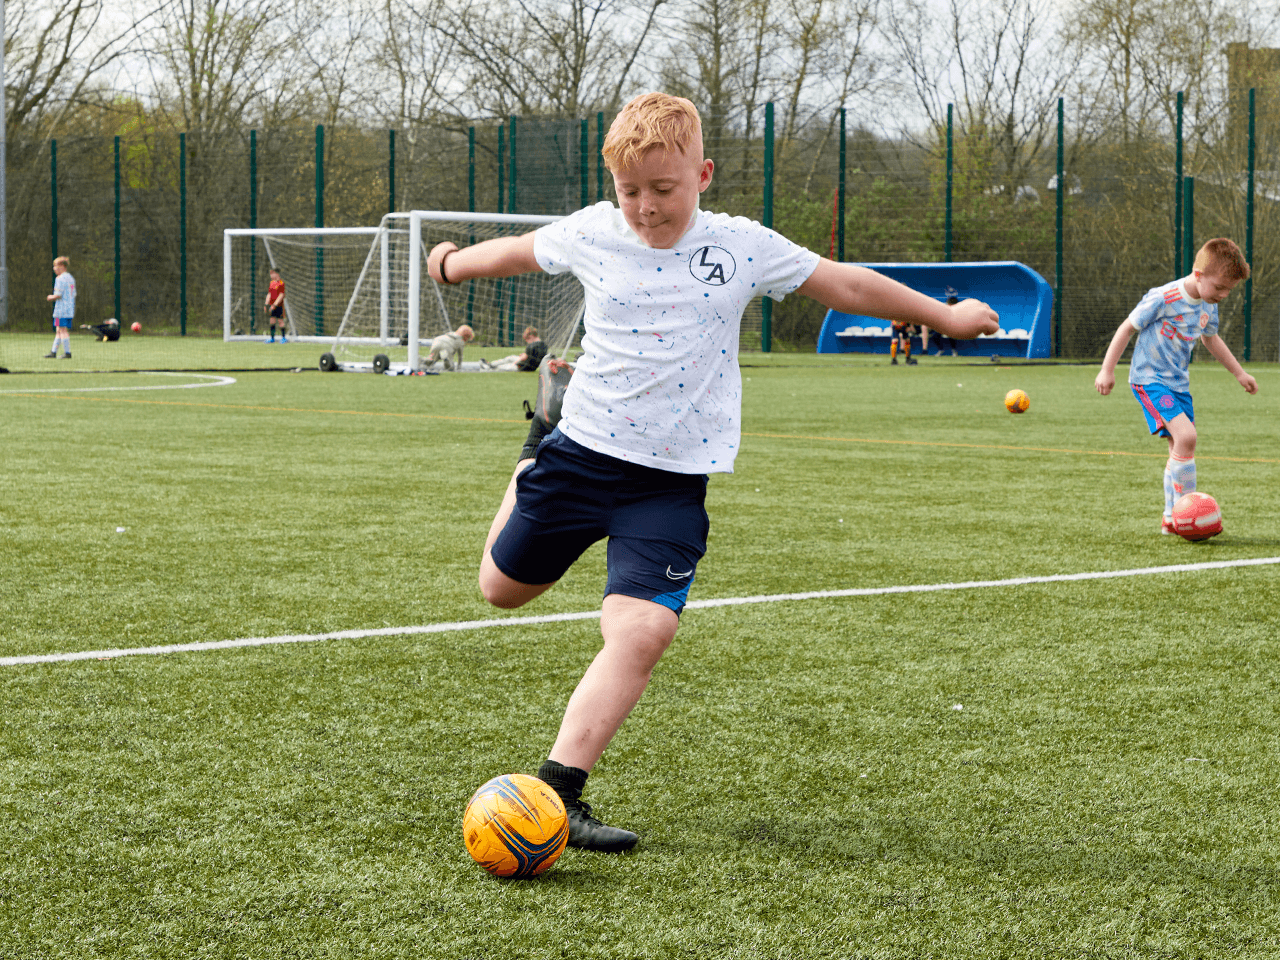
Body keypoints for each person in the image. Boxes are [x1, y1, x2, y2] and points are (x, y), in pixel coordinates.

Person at [426, 92, 999, 854]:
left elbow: (848, 285)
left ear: (703, 174)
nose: (645, 208)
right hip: (581, 454)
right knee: (500, 592)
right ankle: (533, 448)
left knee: (645, 628)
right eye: (630, 192)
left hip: (667, 482)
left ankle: (559, 793)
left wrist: (947, 316)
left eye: (663, 190)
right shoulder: (594, 232)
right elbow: (519, 251)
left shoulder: (741, 246)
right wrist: (452, 263)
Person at [1094, 237, 1256, 534]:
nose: (1223, 295)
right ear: (1198, 275)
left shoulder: (1209, 303)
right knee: (1187, 436)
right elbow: (1126, 328)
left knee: (1179, 447)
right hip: (1149, 380)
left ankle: (1171, 518)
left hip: (1179, 385)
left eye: (1228, 290)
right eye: (1219, 287)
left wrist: (1239, 373)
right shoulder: (1164, 297)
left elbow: (1211, 339)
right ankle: (1188, 517)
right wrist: (1107, 370)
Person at [45, 256, 76, 359]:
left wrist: (50, 297)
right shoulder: (71, 278)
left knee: (62, 330)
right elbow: (73, 293)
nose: (54, 268)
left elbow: (58, 294)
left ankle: (67, 353)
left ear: (63, 266)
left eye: (56, 266)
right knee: (59, 330)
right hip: (69, 309)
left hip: (61, 310)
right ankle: (53, 352)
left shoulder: (60, 278)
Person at [264, 268, 287, 342]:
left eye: (272, 273)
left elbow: (281, 295)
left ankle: (283, 338)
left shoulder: (281, 283)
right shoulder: (272, 283)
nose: (271, 275)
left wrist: (274, 305)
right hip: (271, 306)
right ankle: (272, 338)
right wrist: (266, 304)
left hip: (278, 306)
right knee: (272, 321)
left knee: (280, 321)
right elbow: (269, 294)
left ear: (277, 274)